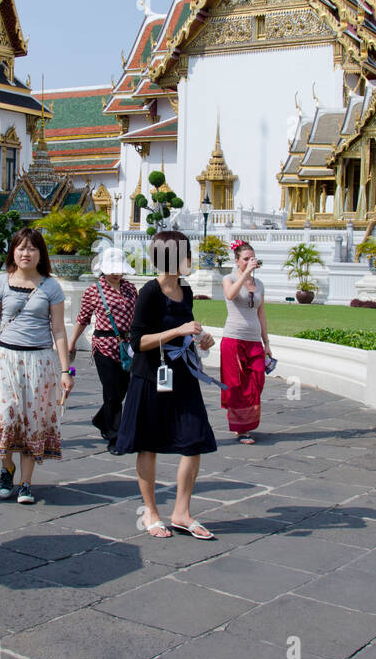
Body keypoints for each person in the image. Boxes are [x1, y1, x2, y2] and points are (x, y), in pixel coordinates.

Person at [116, 230, 220, 539]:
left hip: (183, 375)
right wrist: (177, 331)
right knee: (148, 444)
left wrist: (200, 338)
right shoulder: (149, 291)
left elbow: (185, 329)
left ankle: (182, 512)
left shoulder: (185, 290)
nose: (190, 259)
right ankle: (151, 511)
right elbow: (138, 340)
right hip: (151, 376)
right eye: (185, 254)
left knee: (194, 439)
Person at [0, 228, 70, 505]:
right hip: (5, 360)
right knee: (4, 415)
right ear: (12, 251)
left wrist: (65, 370)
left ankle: (26, 483)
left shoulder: (51, 287)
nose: (26, 253)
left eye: (32, 248)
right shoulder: (0, 283)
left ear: (41, 254)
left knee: (33, 420)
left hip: (39, 360)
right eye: (21, 248)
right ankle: (7, 468)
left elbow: (59, 331)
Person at [69, 247, 137, 453]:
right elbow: (82, 319)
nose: (116, 273)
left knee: (124, 388)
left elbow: (138, 315)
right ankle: (114, 436)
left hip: (128, 345)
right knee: (111, 391)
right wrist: (72, 343)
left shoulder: (130, 288)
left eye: (119, 270)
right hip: (104, 345)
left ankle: (101, 418)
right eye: (112, 270)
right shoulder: (93, 290)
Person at [220, 241, 271, 444]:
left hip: (253, 340)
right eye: (246, 258)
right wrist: (245, 274)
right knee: (236, 384)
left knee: (257, 380)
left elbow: (261, 313)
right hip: (233, 338)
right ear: (237, 261)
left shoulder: (259, 285)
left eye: (252, 258)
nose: (250, 261)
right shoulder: (229, 278)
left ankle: (247, 422)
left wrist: (266, 341)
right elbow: (230, 295)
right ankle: (241, 429)